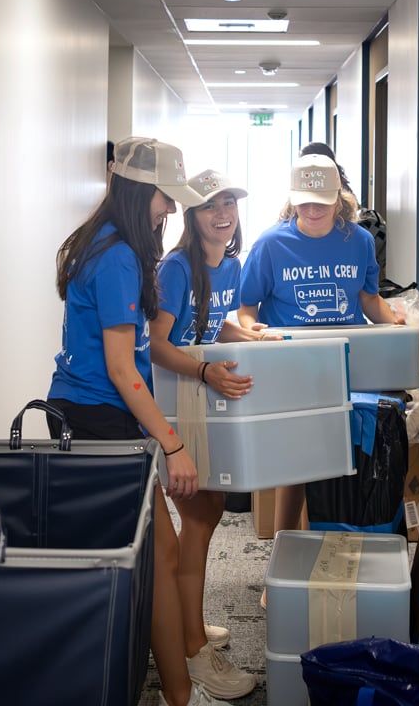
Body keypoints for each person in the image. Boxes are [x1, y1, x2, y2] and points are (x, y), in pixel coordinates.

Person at [47, 138, 255, 706]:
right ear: (142, 192)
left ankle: (177, 687)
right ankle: (181, 692)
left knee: (159, 555)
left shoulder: (117, 246)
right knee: (160, 553)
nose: (170, 211)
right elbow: (121, 366)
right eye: (167, 198)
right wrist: (171, 444)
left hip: (100, 414)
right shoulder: (115, 255)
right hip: (92, 415)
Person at [238, 153, 404, 560]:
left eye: (322, 202)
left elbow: (368, 299)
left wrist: (393, 321)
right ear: (292, 200)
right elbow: (246, 308)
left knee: (339, 460)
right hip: (292, 366)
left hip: (345, 364)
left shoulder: (359, 241)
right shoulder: (270, 244)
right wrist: (252, 331)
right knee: (296, 467)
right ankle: (285, 557)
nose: (312, 210)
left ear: (338, 199)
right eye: (304, 201)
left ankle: (333, 557)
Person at [152, 169, 275, 673]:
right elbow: (158, 345)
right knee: (200, 520)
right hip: (178, 401)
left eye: (229, 204)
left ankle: (190, 623)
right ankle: (190, 646)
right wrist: (205, 370)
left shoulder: (229, 264)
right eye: (210, 206)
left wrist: (250, 337)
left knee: (208, 514)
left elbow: (212, 319)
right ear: (192, 214)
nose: (222, 214)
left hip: (204, 401)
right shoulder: (176, 268)